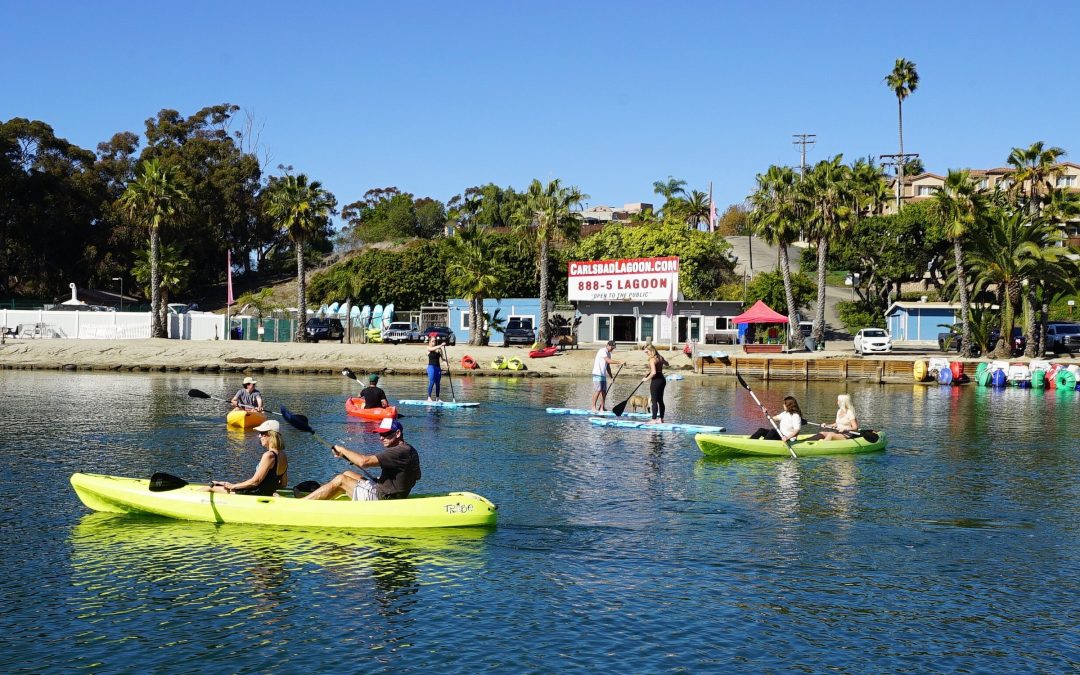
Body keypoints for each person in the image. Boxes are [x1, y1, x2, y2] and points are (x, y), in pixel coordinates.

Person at [303, 418, 420, 501]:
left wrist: (342, 450)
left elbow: (364, 462)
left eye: (385, 434)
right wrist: (387, 481)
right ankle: (325, 495)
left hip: (383, 497)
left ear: (398, 433)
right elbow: (417, 476)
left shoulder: (397, 451)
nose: (381, 438)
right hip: (389, 491)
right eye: (380, 434)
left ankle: (302, 504)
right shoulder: (409, 449)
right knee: (347, 473)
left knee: (341, 479)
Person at [207, 420, 288, 495]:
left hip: (254, 493)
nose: (259, 436)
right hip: (264, 493)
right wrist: (270, 489)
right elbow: (284, 483)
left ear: (270, 435)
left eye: (262, 433)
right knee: (217, 483)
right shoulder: (283, 455)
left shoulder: (269, 456)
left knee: (209, 488)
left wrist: (233, 486)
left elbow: (255, 482)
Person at [591, 340, 623, 412]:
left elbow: (608, 367)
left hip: (603, 375)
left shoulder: (609, 354)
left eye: (613, 348)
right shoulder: (602, 351)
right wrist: (619, 362)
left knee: (604, 392)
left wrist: (611, 377)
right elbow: (608, 361)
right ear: (608, 345)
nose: (613, 349)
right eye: (612, 347)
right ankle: (593, 407)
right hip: (597, 373)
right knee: (598, 390)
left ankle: (602, 408)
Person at [641, 346, 669, 424]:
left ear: (651, 351)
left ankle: (653, 420)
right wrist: (664, 361)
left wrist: (646, 379)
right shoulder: (660, 357)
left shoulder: (652, 359)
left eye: (647, 352)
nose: (646, 354)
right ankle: (661, 419)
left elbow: (653, 372)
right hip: (662, 380)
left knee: (654, 401)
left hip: (656, 381)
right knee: (660, 400)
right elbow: (667, 364)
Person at [426, 335, 445, 401]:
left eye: (435, 341)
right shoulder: (428, 348)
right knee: (432, 381)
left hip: (438, 368)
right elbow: (432, 349)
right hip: (431, 367)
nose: (434, 342)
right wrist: (440, 345)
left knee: (438, 383)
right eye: (433, 341)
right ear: (430, 342)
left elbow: (443, 359)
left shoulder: (439, 350)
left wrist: (446, 363)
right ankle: (429, 397)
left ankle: (437, 398)